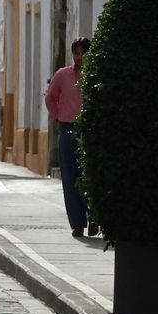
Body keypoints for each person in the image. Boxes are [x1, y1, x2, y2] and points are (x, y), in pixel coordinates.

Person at [48, 37, 98, 237]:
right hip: (68, 128)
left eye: (83, 53)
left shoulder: (96, 73)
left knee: (91, 173)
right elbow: (50, 97)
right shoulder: (63, 75)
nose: (80, 57)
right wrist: (56, 116)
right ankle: (77, 223)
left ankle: (94, 218)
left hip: (90, 129)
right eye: (77, 53)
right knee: (70, 176)